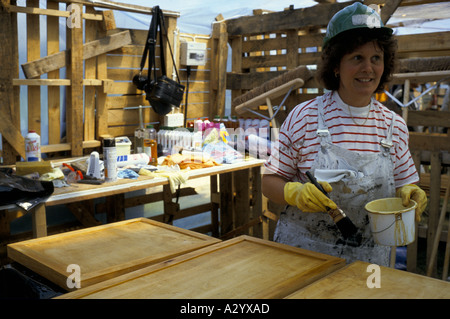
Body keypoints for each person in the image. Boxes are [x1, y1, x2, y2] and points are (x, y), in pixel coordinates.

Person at [262, 2, 427, 266]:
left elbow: (405, 183)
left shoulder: (393, 126)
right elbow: (269, 182)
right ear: (336, 65)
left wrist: (410, 192)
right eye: (357, 58)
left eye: (376, 58)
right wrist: (295, 193)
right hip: (303, 254)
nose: (368, 68)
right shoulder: (304, 116)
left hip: (368, 259)